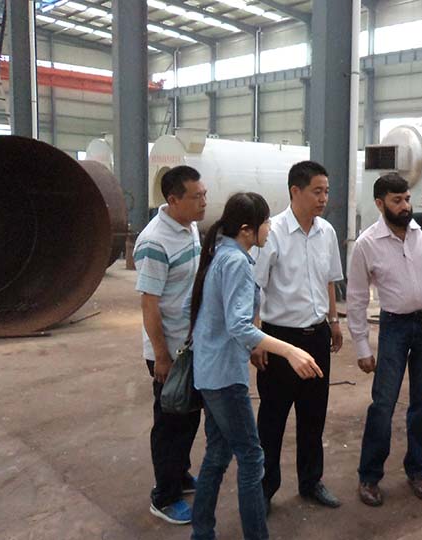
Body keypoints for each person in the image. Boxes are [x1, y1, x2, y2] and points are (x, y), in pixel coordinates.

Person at [188, 192, 323, 540]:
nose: (269, 229)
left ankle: (202, 532)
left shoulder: (222, 254)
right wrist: (290, 351)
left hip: (210, 371)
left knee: (218, 454)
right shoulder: (235, 262)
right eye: (265, 224)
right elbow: (238, 325)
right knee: (251, 459)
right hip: (223, 378)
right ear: (247, 230)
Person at [346, 172, 422, 507]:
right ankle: (369, 476)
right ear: (379, 203)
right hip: (395, 328)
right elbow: (356, 299)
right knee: (383, 404)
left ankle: (417, 469)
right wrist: (362, 347)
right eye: (397, 200)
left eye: (407, 199)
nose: (405, 206)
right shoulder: (367, 244)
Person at [253, 161, 344, 510]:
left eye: (326, 191)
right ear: (295, 191)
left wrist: (334, 321)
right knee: (272, 419)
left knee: (313, 415)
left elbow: (329, 279)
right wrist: (256, 339)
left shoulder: (327, 232)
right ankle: (265, 488)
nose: (324, 198)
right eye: (317, 191)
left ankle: (311, 481)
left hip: (316, 337)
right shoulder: (272, 233)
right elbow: (255, 287)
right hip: (280, 341)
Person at [134, 165, 206, 524]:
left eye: (204, 194)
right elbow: (149, 304)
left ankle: (178, 473)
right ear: (173, 200)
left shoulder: (188, 226)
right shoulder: (154, 242)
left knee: (188, 415)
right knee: (170, 423)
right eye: (196, 197)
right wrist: (161, 357)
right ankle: (164, 496)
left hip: (189, 345)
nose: (203, 202)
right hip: (170, 350)